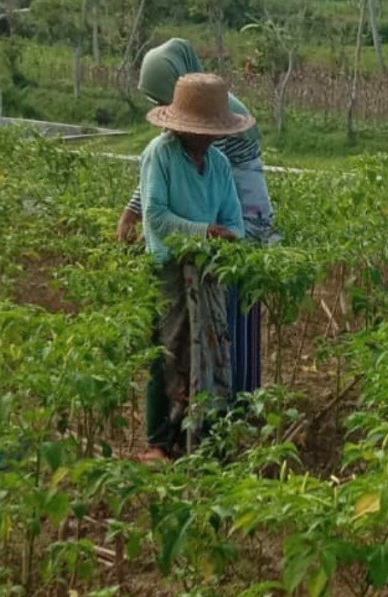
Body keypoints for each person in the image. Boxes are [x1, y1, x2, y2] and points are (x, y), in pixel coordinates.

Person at [116, 38, 277, 397]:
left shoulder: (214, 121)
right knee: (184, 338)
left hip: (238, 229)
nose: (165, 112)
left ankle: (233, 403)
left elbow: (215, 192)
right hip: (206, 237)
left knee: (227, 323)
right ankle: (203, 412)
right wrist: (134, 213)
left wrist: (215, 233)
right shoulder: (182, 127)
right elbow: (163, 175)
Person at [138, 73, 250, 462]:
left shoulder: (218, 164)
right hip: (169, 267)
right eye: (203, 130)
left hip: (207, 270)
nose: (209, 137)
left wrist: (227, 238)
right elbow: (155, 215)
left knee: (210, 349)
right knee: (169, 349)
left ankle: (200, 433)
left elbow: (235, 221)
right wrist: (204, 232)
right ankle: (158, 439)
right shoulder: (160, 154)